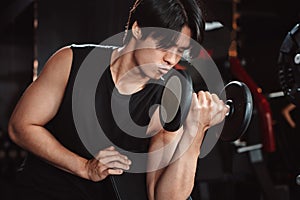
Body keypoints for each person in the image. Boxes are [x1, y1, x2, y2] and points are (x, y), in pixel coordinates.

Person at [8, 0, 229, 199]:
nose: (171, 59)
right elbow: (21, 126)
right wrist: (85, 167)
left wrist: (196, 130)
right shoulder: (71, 62)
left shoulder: (167, 98)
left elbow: (163, 197)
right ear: (137, 30)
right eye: (164, 46)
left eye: (180, 51)